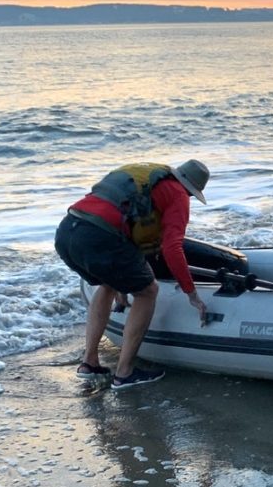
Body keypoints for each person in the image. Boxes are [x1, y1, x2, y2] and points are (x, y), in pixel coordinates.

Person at [54, 159, 210, 390]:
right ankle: (125, 373)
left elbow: (123, 220)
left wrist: (120, 284)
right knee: (148, 290)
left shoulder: (147, 178)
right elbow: (172, 247)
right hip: (99, 237)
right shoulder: (178, 195)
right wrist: (192, 293)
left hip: (68, 230)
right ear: (191, 189)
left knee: (107, 284)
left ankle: (89, 362)